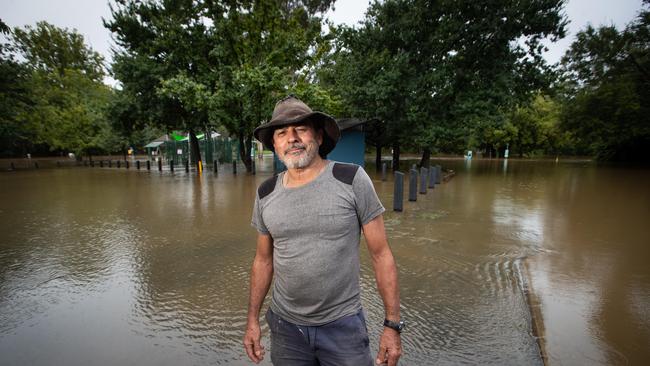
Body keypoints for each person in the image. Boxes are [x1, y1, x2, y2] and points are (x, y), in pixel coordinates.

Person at [244, 96, 403, 366]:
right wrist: (252, 321)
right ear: (274, 144)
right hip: (285, 329)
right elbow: (263, 260)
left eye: (301, 129)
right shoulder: (266, 192)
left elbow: (381, 254)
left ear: (318, 136)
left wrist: (392, 325)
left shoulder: (352, 179)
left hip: (342, 326)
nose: (291, 138)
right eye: (282, 133)